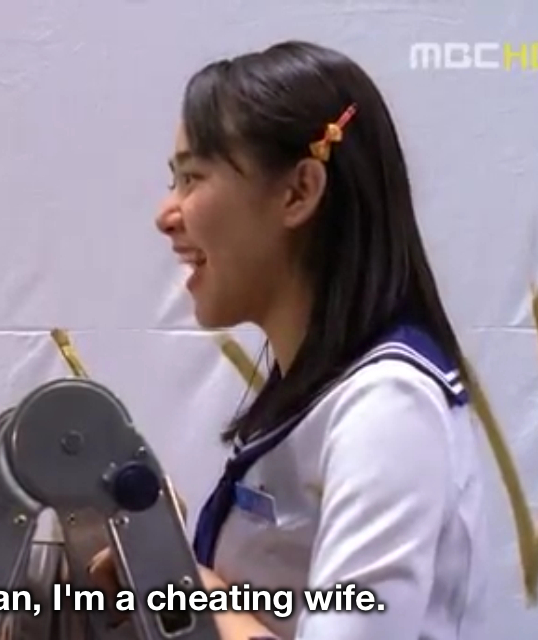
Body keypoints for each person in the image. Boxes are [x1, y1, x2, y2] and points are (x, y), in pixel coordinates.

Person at [89, 41, 489, 639]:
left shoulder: (389, 406)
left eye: (192, 177)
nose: (166, 214)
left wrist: (180, 587)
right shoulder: (316, 392)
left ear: (299, 192)